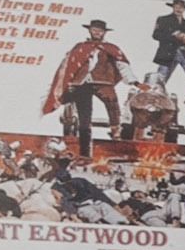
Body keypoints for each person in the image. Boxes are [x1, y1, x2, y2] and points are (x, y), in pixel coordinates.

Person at [42, 18, 124, 166]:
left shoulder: (110, 48)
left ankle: (115, 128)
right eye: (94, 30)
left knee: (112, 101)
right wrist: (68, 82)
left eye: (100, 31)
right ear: (90, 31)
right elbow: (68, 64)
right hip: (82, 85)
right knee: (84, 123)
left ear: (104, 32)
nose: (97, 33)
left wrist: (134, 81)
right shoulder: (80, 47)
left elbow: (122, 64)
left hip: (102, 82)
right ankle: (85, 155)